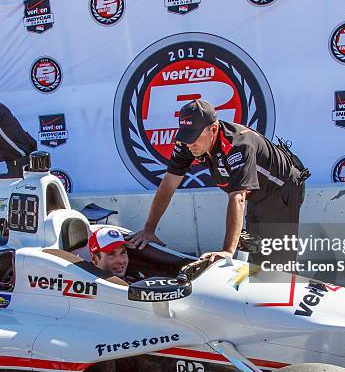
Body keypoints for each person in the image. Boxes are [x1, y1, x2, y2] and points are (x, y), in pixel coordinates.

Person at [128, 100, 308, 265]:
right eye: (186, 136)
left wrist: (227, 251)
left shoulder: (238, 144)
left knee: (277, 263)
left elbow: (238, 198)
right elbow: (167, 186)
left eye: (195, 137)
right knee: (258, 253)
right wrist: (148, 230)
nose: (190, 145)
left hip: (282, 188)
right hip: (256, 193)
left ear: (213, 129)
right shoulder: (187, 143)